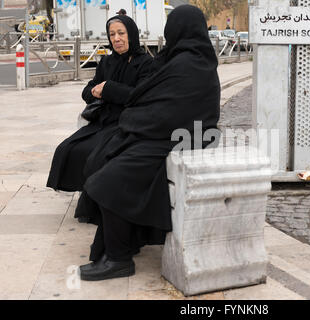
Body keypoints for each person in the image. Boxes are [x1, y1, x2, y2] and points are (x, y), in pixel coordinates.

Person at [77, 4, 220, 281]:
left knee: (110, 179)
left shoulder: (190, 64)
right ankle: (123, 245)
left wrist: (134, 120)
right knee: (106, 158)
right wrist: (137, 119)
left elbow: (174, 111)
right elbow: (153, 99)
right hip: (166, 134)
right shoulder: (182, 59)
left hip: (182, 140)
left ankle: (119, 259)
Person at [46, 16, 153, 198]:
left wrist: (108, 88)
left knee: (95, 154)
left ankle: (98, 198)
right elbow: (87, 91)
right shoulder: (107, 62)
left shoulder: (146, 63)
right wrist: (96, 91)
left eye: (121, 33)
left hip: (127, 122)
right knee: (67, 148)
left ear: (131, 35)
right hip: (103, 120)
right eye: (112, 34)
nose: (116, 39)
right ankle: (88, 194)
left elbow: (139, 95)